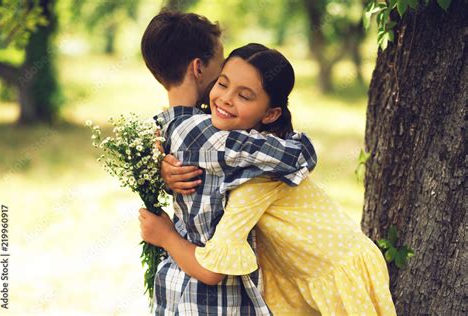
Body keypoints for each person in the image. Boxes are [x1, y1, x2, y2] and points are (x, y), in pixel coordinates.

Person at [139, 44, 397, 315]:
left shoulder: (257, 179)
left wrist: (165, 236)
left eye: (245, 96)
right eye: (222, 84)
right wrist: (164, 168)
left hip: (339, 276)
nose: (226, 99)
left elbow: (212, 270)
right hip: (298, 276)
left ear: (271, 114)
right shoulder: (237, 151)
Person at [140, 10, 317, 315]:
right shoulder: (209, 135)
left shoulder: (164, 129)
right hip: (211, 296)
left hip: (173, 286)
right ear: (199, 68)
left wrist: (157, 160)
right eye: (222, 71)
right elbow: (299, 156)